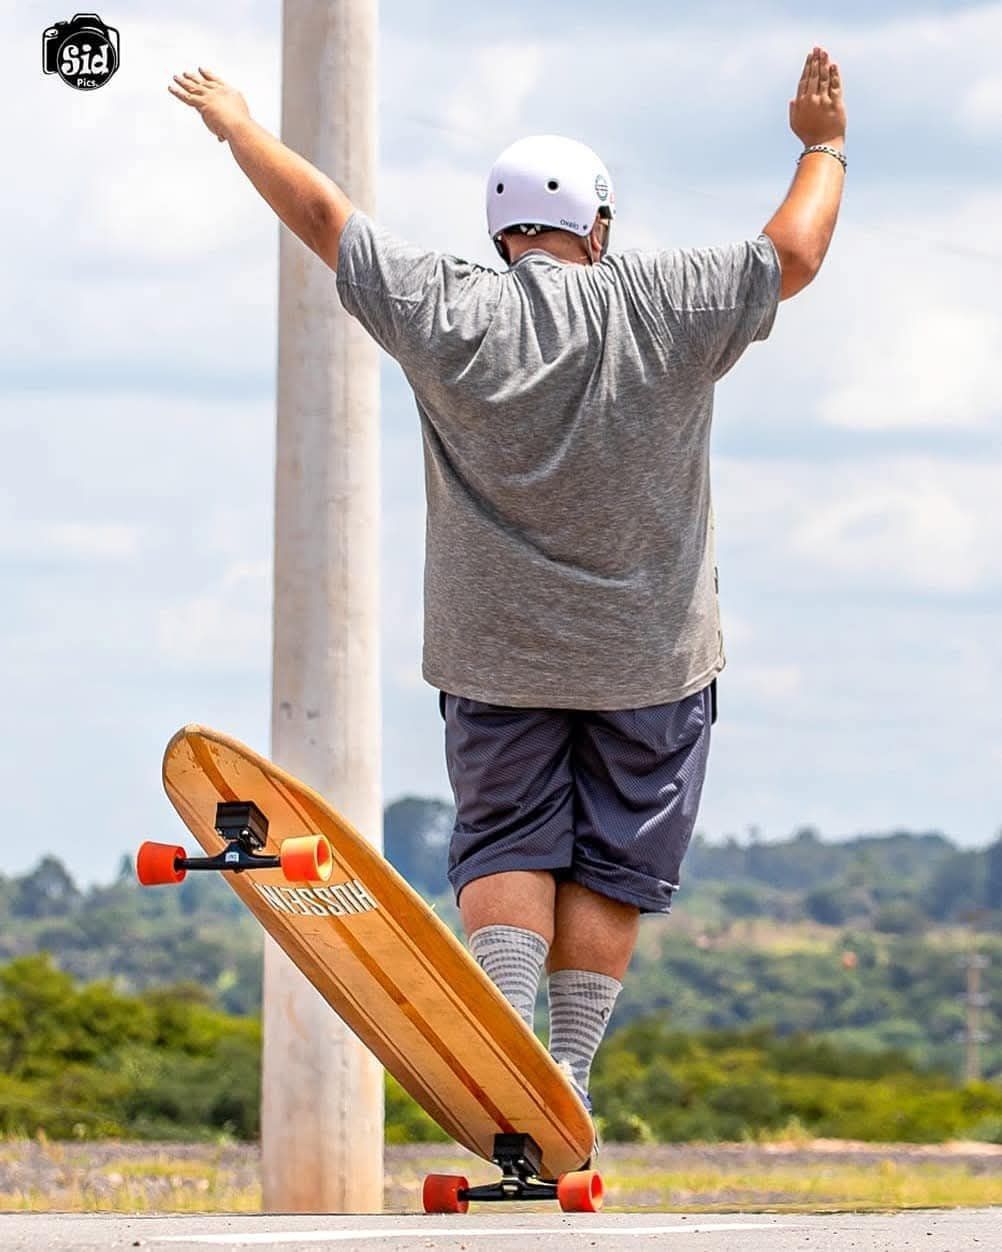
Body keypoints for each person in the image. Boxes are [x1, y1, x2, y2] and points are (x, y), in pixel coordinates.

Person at [169, 46, 847, 1121]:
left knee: (507, 840)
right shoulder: (666, 300)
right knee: (613, 863)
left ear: (502, 235)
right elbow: (795, 253)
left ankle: (510, 1052)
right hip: (651, 660)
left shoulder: (447, 306)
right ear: (599, 227)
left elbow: (325, 217)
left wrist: (238, 125)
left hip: (495, 656)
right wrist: (824, 144)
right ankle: (565, 1071)